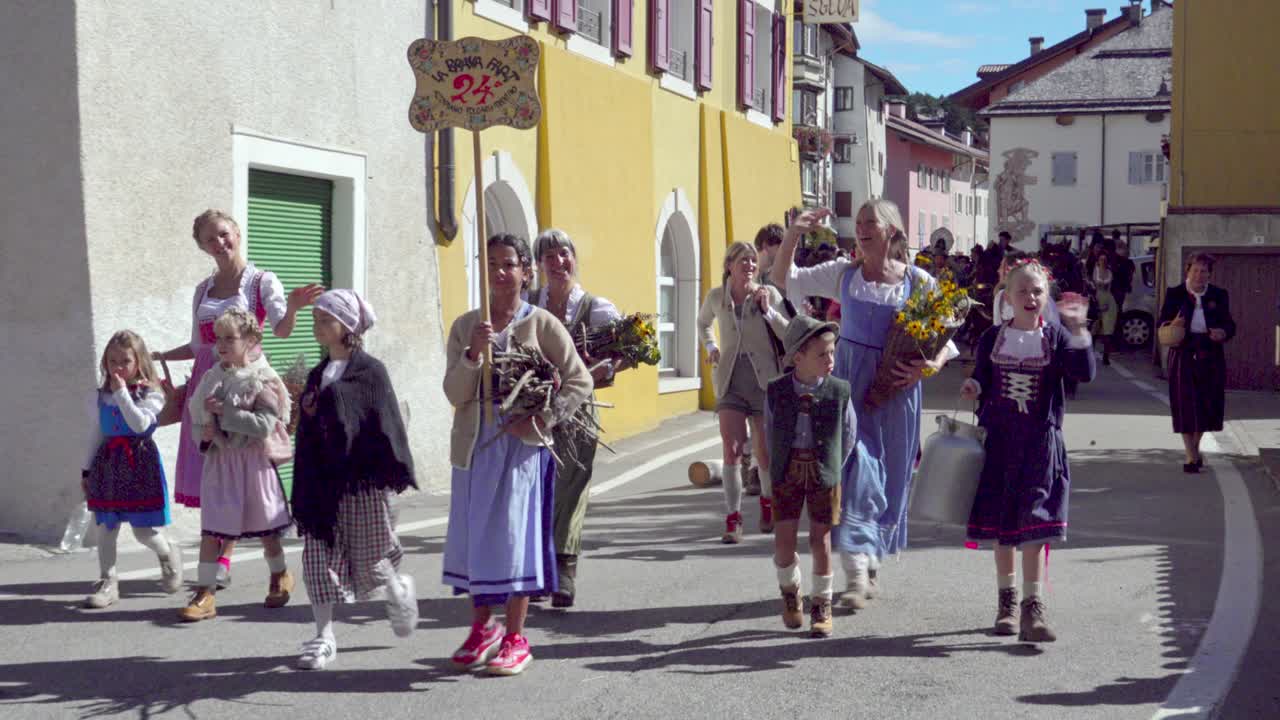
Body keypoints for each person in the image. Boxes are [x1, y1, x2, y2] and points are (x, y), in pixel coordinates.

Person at [773, 199, 958, 610]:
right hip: (849, 387)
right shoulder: (843, 273)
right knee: (854, 470)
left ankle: (869, 561)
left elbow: (946, 337)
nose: (861, 228)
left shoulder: (919, 281)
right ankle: (855, 573)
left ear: (891, 230)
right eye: (857, 222)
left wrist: (929, 366)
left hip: (897, 389)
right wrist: (793, 234)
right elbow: (784, 280)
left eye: (869, 222)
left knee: (890, 479)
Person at [442, 233, 592, 677]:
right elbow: (453, 392)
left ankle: (515, 636)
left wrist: (543, 419)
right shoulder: (467, 325)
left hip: (521, 450)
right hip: (474, 445)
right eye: (490, 263)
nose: (499, 272)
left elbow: (579, 381)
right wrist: (473, 352)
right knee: (474, 541)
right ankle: (481, 627)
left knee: (513, 540)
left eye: (508, 263)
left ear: (526, 272)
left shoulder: (541, 323)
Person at [154, 210, 322, 588]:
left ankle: (268, 568)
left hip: (247, 388)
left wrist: (293, 307)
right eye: (210, 240)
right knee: (216, 477)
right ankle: (216, 572)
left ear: (238, 233)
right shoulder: (203, 289)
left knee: (250, 479)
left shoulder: (261, 281)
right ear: (201, 246)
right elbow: (200, 346)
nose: (220, 243)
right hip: (208, 384)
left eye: (224, 234)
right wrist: (162, 357)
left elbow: (279, 329)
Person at [961, 260, 1096, 643]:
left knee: (1035, 523)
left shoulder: (1055, 337)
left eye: (1037, 291)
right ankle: (1006, 602)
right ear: (1008, 297)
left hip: (1040, 442)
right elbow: (982, 378)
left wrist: (1079, 328)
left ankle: (1032, 609)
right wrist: (973, 385)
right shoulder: (992, 338)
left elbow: (1083, 373)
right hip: (1000, 442)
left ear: (1046, 297)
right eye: (1022, 291)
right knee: (1004, 525)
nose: (1031, 297)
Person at [290, 290, 419, 671]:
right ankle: (324, 636)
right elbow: (313, 426)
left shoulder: (371, 372)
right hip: (322, 485)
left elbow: (381, 422)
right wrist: (310, 411)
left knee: (372, 560)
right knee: (316, 559)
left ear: (348, 327)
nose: (317, 325)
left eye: (325, 319)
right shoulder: (317, 373)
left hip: (359, 484)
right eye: (315, 318)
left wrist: (327, 403)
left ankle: (398, 590)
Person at [179, 308, 295, 622]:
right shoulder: (211, 377)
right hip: (221, 462)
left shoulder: (263, 379)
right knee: (212, 530)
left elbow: (263, 425)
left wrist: (226, 414)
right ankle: (206, 593)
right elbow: (196, 415)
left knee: (266, 529)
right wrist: (206, 433)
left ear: (251, 340)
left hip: (254, 464)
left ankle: (280, 574)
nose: (222, 345)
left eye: (230, 338)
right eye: (218, 338)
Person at [531, 229, 622, 608]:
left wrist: (597, 371)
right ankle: (537, 570)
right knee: (535, 487)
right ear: (538, 266)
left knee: (572, 484)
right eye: (549, 257)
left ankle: (565, 570)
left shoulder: (594, 307)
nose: (557, 262)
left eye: (563, 254)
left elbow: (621, 354)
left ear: (574, 259)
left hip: (578, 407)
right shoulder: (527, 304)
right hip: (531, 408)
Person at [765, 315, 854, 638]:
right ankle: (791, 593)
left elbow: (849, 434)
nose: (830, 360)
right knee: (784, 541)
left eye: (832, 352)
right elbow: (769, 432)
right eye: (822, 354)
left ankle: (822, 604)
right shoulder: (776, 391)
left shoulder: (840, 391)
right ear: (797, 358)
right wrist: (772, 470)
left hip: (823, 474)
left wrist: (831, 466)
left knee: (821, 540)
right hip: (786, 471)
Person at [697, 242, 792, 542]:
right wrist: (711, 347)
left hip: (764, 382)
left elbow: (788, 333)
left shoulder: (769, 294)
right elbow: (702, 324)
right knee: (732, 450)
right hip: (729, 381)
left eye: (753, 261)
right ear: (729, 265)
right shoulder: (716, 297)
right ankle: (733, 518)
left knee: (763, 453)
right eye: (743, 261)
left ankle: (767, 502)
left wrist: (769, 312)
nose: (750, 266)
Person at [81, 331, 183, 609]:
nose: (118, 367)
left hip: (138, 463)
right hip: (109, 464)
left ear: (139, 362)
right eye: (112, 360)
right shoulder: (101, 395)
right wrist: (86, 471)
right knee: (106, 526)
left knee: (142, 531)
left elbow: (139, 425)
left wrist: (122, 393)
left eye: (125, 361)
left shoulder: (152, 393)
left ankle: (168, 554)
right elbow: (96, 433)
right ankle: (108, 581)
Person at [1160, 253, 1236, 473]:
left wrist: (1223, 332)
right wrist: (1173, 323)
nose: (1199, 275)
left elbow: (1230, 324)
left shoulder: (1219, 295)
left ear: (1210, 274)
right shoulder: (1175, 293)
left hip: (1210, 352)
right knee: (1185, 404)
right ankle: (1191, 455)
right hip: (1183, 351)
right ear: (1188, 271)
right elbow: (1162, 321)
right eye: (1195, 270)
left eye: (1204, 271)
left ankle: (1195, 446)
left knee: (1206, 404)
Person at [1091, 252, 1118, 365]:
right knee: (1094, 328)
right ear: (1098, 261)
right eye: (1101, 259)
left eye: (1105, 260)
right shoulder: (1096, 270)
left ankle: (1106, 357)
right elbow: (1094, 284)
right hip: (1097, 298)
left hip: (1108, 299)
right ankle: (1090, 355)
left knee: (1108, 329)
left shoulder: (1110, 272)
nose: (1103, 261)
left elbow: (1108, 286)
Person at [1111, 242, 1136, 323]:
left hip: (1119, 290)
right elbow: (1130, 276)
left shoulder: (1120, 261)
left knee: (1118, 310)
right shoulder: (1127, 262)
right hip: (1120, 289)